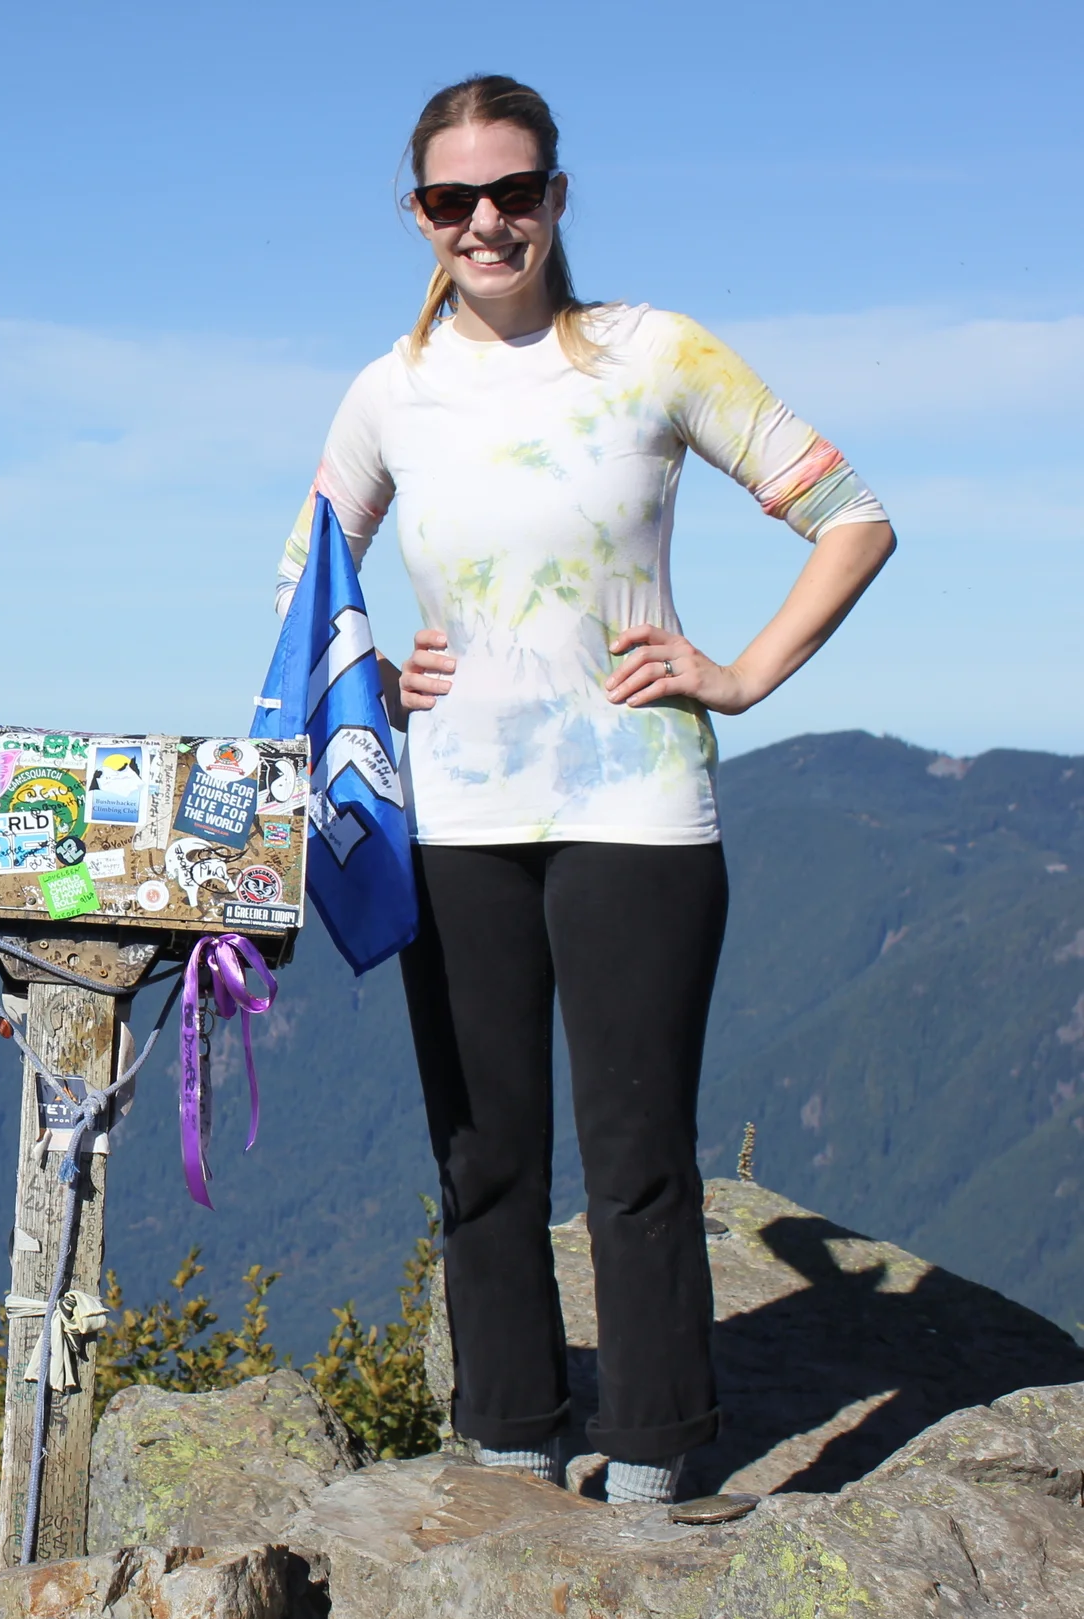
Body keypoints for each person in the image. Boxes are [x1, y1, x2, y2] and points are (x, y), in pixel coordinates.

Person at [274, 75, 895, 1505]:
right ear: (417, 214)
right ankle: (508, 1437)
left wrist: (739, 675)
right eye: (454, 198)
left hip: (640, 811)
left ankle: (657, 1456)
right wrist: (378, 678)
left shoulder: (653, 352)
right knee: (480, 1151)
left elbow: (851, 516)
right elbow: (308, 579)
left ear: (558, 195)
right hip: (458, 818)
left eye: (515, 191)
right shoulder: (390, 393)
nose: (487, 221)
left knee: (636, 1154)